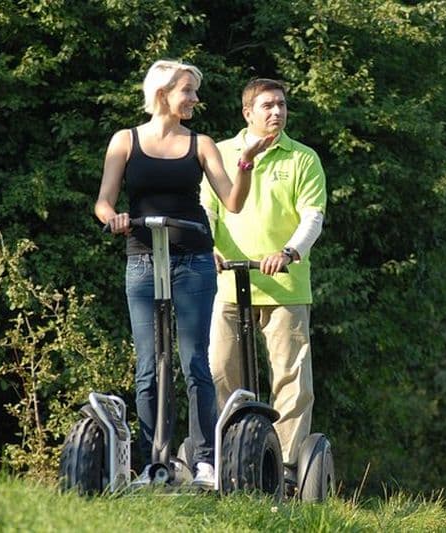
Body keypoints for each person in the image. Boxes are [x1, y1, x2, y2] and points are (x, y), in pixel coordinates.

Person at [94, 60, 274, 488]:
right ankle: (149, 464)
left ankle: (204, 462)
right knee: (147, 366)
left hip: (192, 260)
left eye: (194, 91)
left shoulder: (201, 144)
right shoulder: (125, 140)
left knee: (194, 361)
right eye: (188, 91)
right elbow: (103, 201)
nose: (195, 98)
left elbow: (232, 202)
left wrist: (246, 162)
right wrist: (115, 218)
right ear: (163, 94)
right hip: (141, 258)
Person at [200, 78, 327, 493]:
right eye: (268, 105)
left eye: (282, 105)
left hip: (284, 283)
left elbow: (313, 217)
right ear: (247, 112)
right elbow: (207, 210)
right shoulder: (221, 153)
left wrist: (289, 252)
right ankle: (234, 452)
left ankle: (286, 467)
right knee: (220, 367)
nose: (277, 112)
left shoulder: (302, 158)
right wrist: (208, 246)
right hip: (227, 281)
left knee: (290, 378)